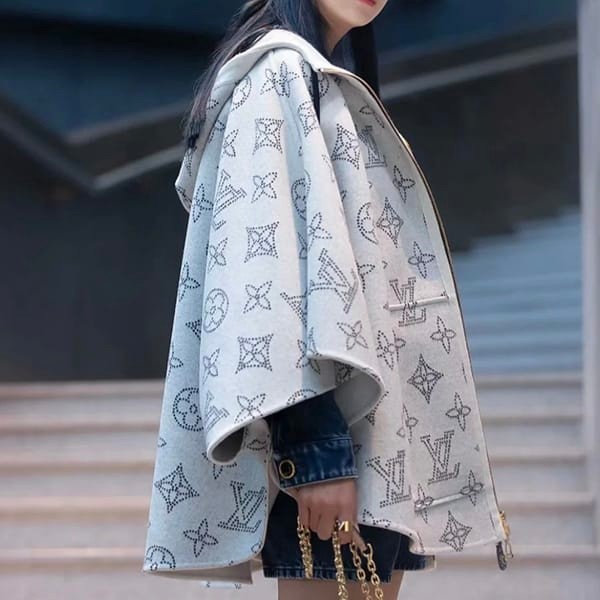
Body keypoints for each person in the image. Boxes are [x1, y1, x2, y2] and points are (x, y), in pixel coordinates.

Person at [142, 0, 513, 595]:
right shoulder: (277, 74)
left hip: (373, 441)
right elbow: (264, 286)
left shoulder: (318, 78)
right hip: (334, 442)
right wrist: (315, 455)